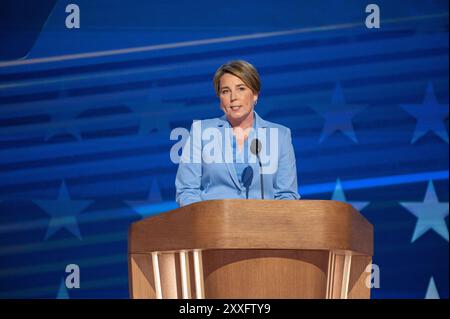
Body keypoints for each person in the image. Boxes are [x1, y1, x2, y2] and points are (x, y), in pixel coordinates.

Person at [175, 60, 300, 207]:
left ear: (255, 94)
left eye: (241, 88)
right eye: (225, 91)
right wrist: (204, 222)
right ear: (220, 99)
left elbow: (287, 194)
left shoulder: (280, 135)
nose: (233, 97)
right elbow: (187, 191)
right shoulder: (200, 132)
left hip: (263, 225)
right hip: (213, 225)